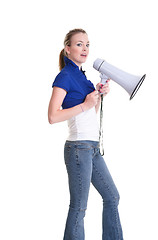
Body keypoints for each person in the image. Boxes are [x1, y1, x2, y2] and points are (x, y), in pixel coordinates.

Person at [48, 28, 123, 240]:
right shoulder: (64, 76)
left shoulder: (83, 78)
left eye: (87, 44)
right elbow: (53, 116)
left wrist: (98, 95)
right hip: (78, 149)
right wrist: (86, 104)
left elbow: (92, 112)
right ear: (67, 49)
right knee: (79, 208)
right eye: (79, 44)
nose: (85, 48)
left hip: (92, 148)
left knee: (112, 197)